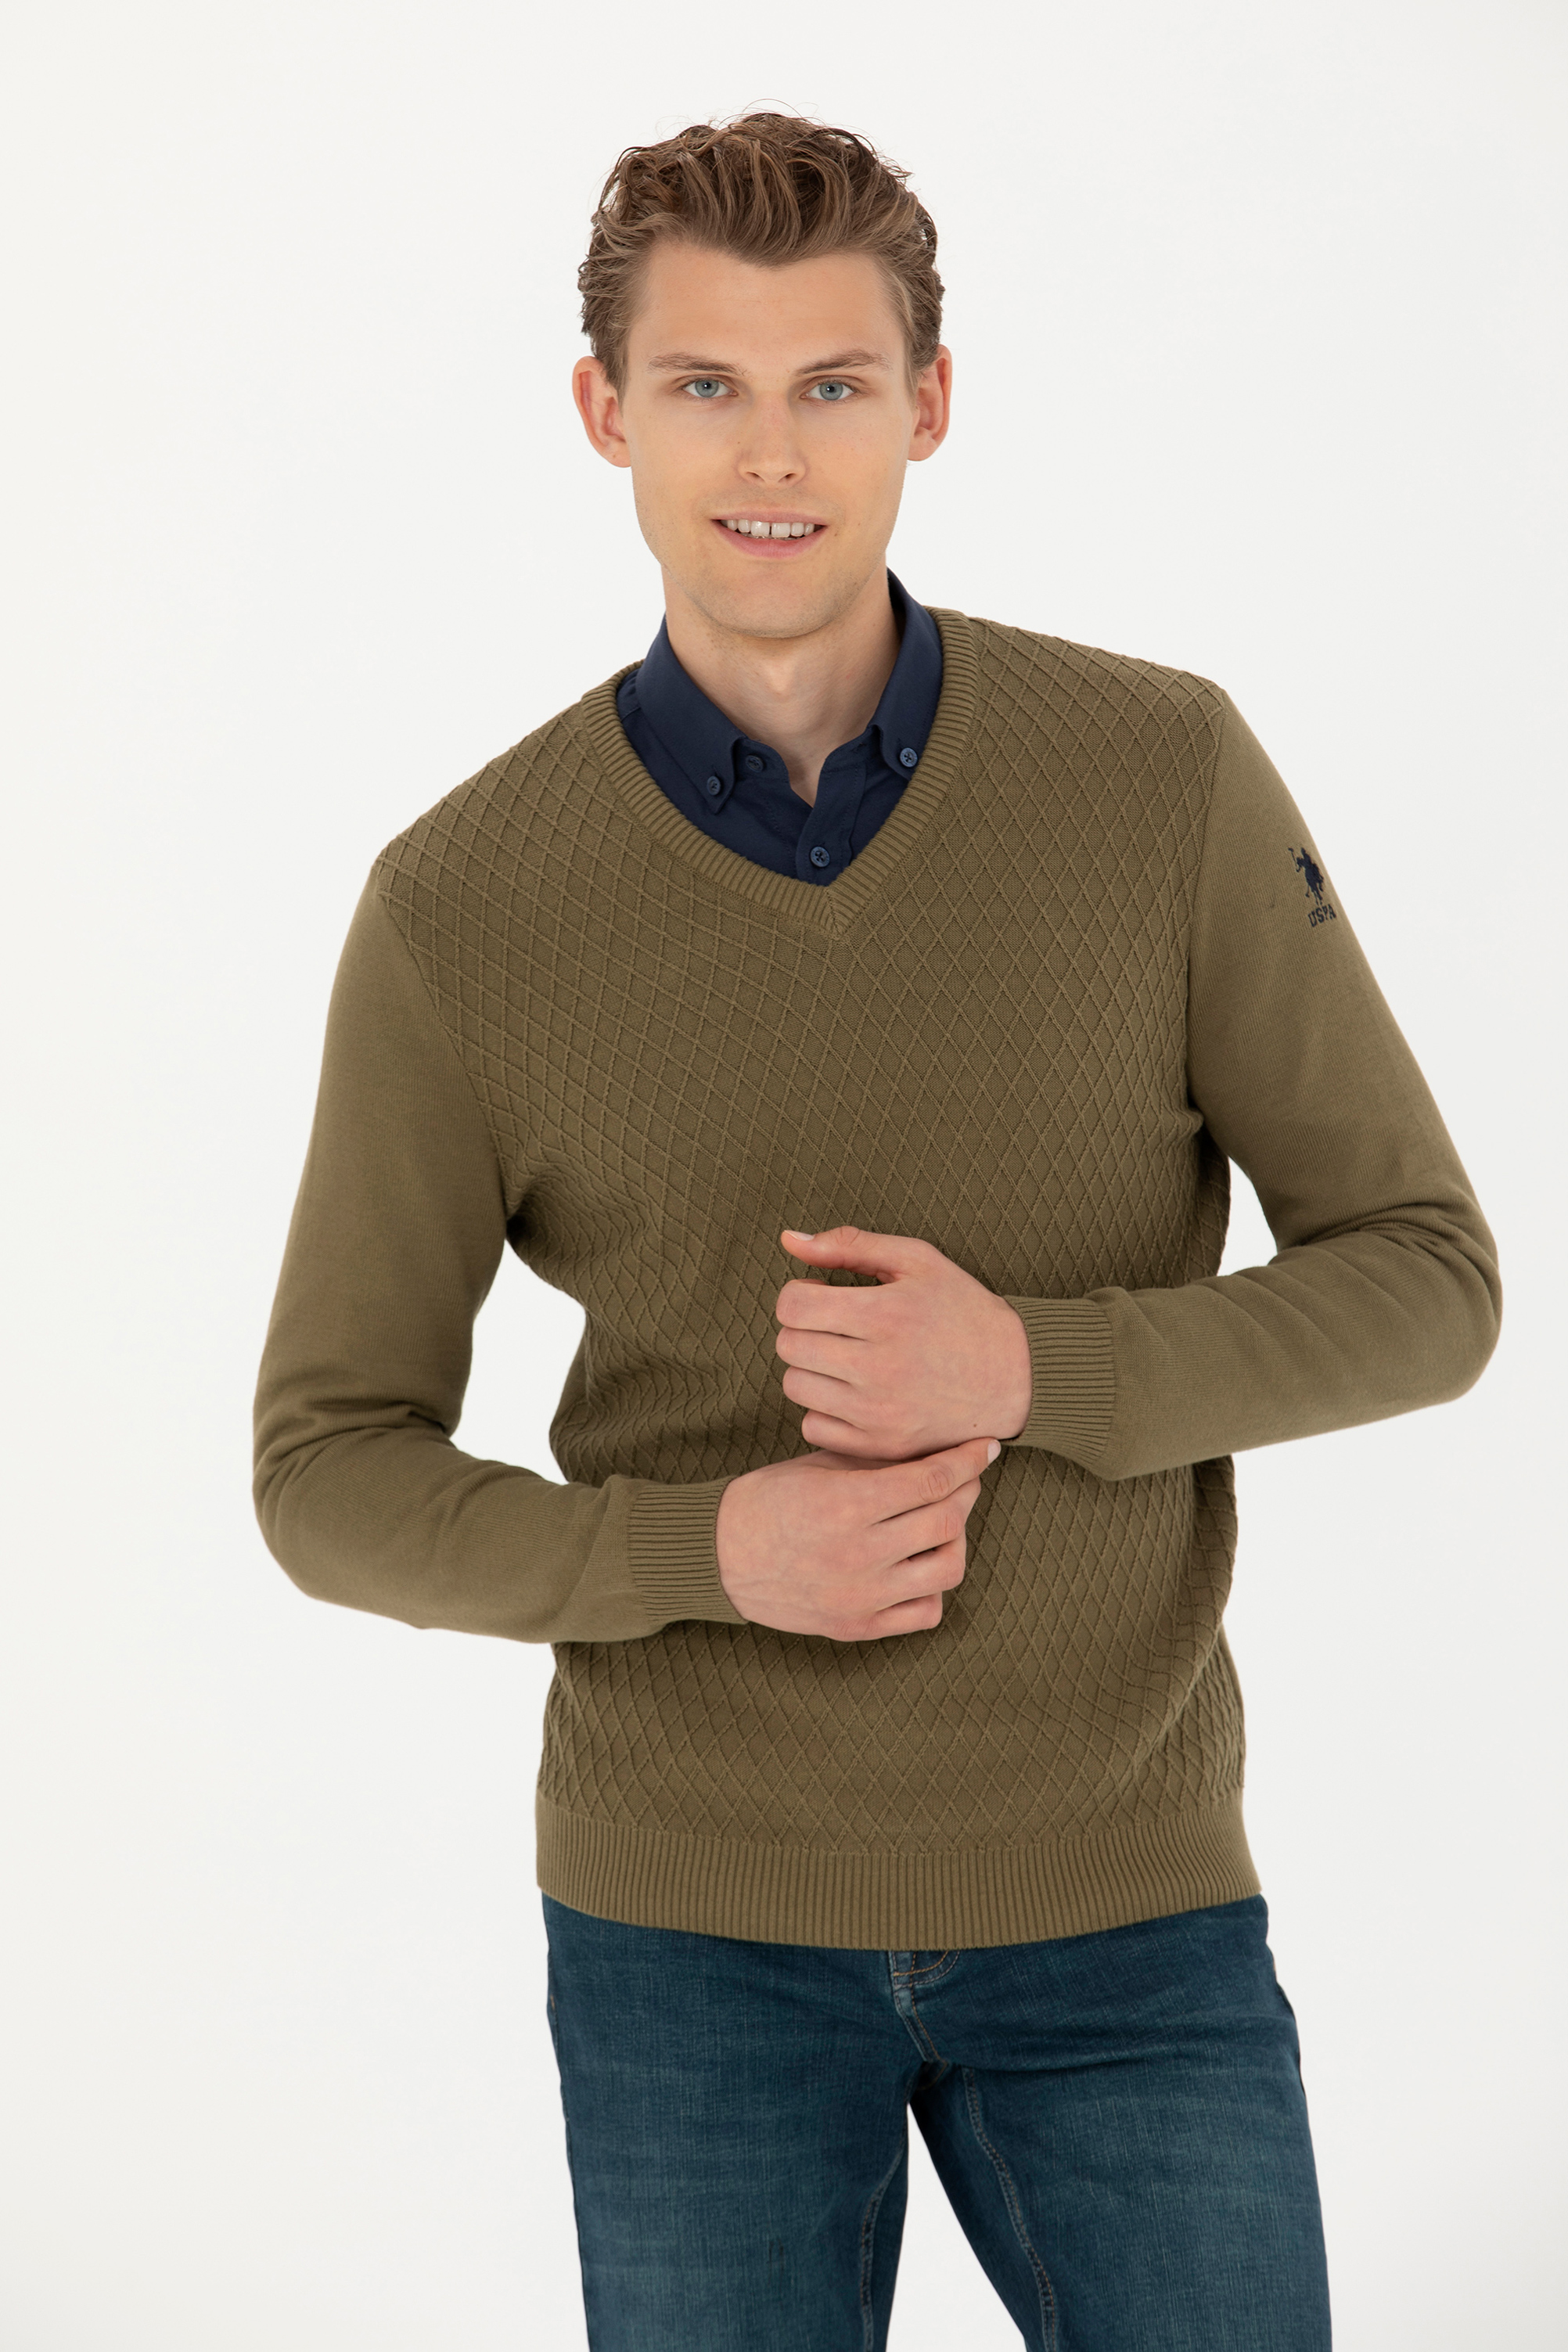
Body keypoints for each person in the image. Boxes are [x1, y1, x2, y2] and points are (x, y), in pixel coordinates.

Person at [253, 112, 1501, 2352]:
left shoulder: (1163, 779)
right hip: (689, 1939)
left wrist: (1038, 1365)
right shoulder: (462, 907)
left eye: (831, 382)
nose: (771, 453)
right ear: (603, 413)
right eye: (703, 384)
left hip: (1123, 1907)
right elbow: (325, 1468)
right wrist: (702, 1552)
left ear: (928, 404)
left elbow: (1426, 1278)